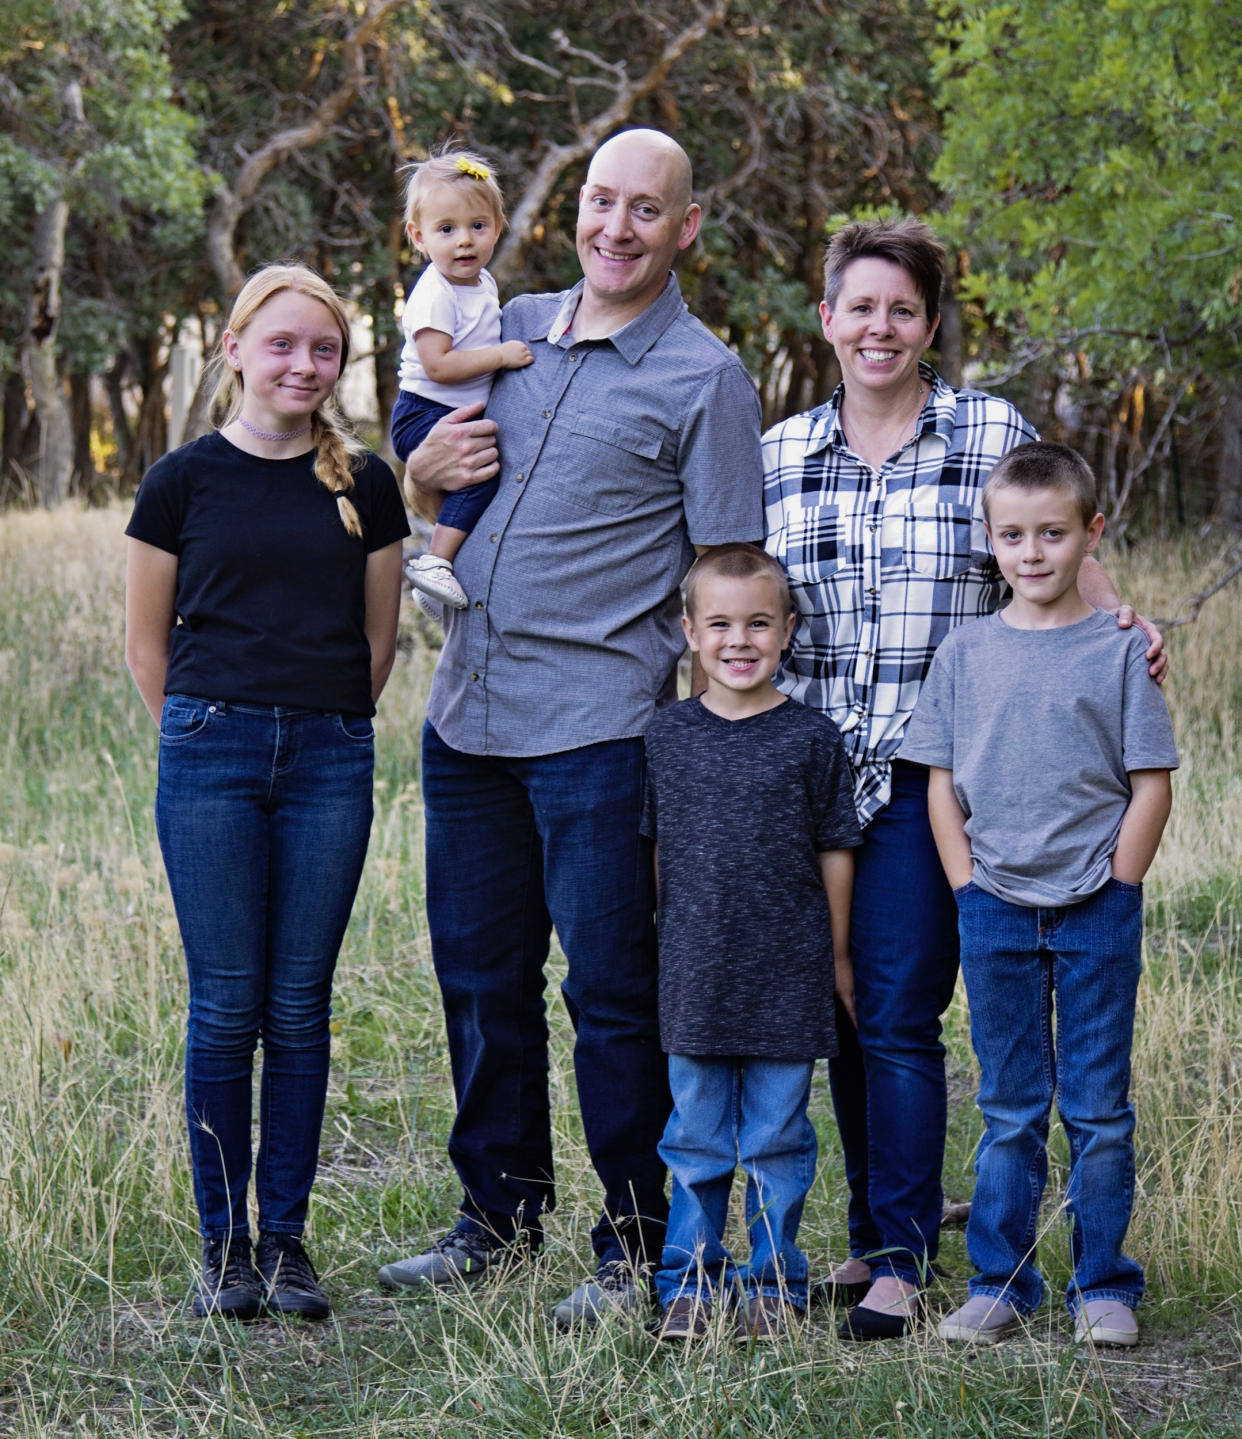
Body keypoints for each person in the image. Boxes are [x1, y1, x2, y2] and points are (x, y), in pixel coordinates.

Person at [376, 129, 764, 1327]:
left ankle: (634, 1239)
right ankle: (494, 1216)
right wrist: (422, 475)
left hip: (601, 732)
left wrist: (710, 758)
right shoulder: (514, 324)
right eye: (602, 200)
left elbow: (727, 574)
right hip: (468, 718)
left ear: (685, 227)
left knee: (612, 993)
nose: (617, 227)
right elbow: (427, 474)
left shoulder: (706, 378)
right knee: (479, 978)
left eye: (647, 209)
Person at [762, 218, 1166, 1341]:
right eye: (860, 306)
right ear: (829, 315)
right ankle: (871, 1227)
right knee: (841, 1011)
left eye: (903, 308)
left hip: (930, 770)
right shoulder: (780, 453)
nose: (879, 327)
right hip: (809, 773)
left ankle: (900, 1256)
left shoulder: (989, 430)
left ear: (929, 323)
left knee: (896, 1012)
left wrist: (1121, 618)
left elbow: (1051, 530)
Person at [124, 263, 408, 1321]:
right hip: (210, 752)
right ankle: (222, 1248)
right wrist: (214, 730)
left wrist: (318, 718)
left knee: (298, 1005)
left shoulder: (362, 484)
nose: (303, 363)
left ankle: (285, 1241)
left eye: (322, 349)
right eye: (281, 343)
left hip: (331, 754)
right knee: (225, 1003)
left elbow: (378, 644)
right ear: (236, 348)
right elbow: (147, 647)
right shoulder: (181, 480)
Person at [899, 442, 1176, 1346]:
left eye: (1052, 533)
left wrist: (1120, 882)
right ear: (990, 539)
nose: (1032, 552)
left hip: (1097, 905)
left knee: (1097, 1105)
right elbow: (939, 778)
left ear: (1090, 534)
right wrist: (965, 885)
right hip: (996, 905)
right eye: (1013, 535)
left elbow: (1151, 779)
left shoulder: (1119, 650)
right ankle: (1000, 1281)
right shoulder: (966, 651)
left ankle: (1102, 1283)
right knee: (1010, 1104)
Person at [642, 545, 860, 1342]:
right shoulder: (667, 737)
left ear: (788, 630)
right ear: (691, 633)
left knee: (778, 1138)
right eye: (722, 624)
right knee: (695, 1138)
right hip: (696, 973)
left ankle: (772, 1283)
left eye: (759, 623)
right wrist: (667, 950)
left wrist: (836, 956)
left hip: (788, 971)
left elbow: (836, 848)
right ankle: (689, 1282)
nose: (741, 640)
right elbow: (659, 850)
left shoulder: (811, 736)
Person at [391, 150, 533, 617]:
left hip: (446, 408)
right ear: (419, 236)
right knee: (477, 479)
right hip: (423, 409)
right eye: (446, 229)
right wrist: (500, 356)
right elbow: (438, 365)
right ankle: (435, 561)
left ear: (497, 226)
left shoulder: (483, 282)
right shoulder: (435, 292)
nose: (464, 241)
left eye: (477, 226)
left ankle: (437, 581)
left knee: (480, 479)